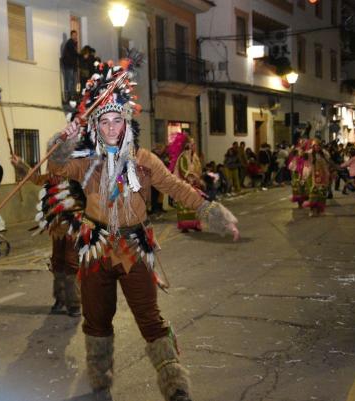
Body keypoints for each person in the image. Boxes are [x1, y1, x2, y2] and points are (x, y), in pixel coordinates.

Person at [47, 60, 239, 401]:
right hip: (95, 248)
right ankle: (99, 384)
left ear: (125, 122)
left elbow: (176, 187)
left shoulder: (144, 159)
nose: (110, 127)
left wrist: (212, 212)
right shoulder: (87, 164)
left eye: (116, 120)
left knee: (150, 319)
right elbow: (57, 169)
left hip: (133, 248)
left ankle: (175, 386)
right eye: (103, 121)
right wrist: (62, 142)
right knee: (96, 322)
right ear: (95, 125)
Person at [11, 154, 84, 317]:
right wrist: (20, 165)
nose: (52, 169)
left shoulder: (76, 178)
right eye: (51, 165)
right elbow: (36, 178)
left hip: (73, 228)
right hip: (56, 229)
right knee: (57, 262)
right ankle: (61, 299)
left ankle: (74, 302)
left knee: (71, 263)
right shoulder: (50, 178)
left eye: (55, 165)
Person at [167, 133, 204, 232]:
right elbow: (183, 169)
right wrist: (191, 179)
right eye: (193, 144)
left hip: (194, 185)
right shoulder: (183, 156)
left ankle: (195, 224)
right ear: (188, 146)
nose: (194, 146)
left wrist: (198, 178)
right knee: (184, 206)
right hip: (185, 184)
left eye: (194, 144)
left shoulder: (195, 157)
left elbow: (198, 168)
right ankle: (185, 226)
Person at [304, 141, 331, 216]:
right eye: (315, 146)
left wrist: (328, 174)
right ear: (313, 146)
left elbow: (328, 164)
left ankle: (321, 210)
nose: (317, 147)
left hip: (323, 177)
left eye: (318, 146)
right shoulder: (309, 154)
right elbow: (305, 161)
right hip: (312, 176)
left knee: (322, 194)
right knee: (313, 194)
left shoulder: (325, 154)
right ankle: (312, 210)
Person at [61, 30, 80, 101]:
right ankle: (69, 97)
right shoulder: (70, 43)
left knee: (72, 81)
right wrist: (81, 56)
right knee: (70, 81)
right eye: (74, 35)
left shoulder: (73, 43)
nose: (75, 36)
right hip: (69, 65)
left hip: (72, 65)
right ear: (71, 35)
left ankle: (72, 96)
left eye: (76, 35)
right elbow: (74, 53)